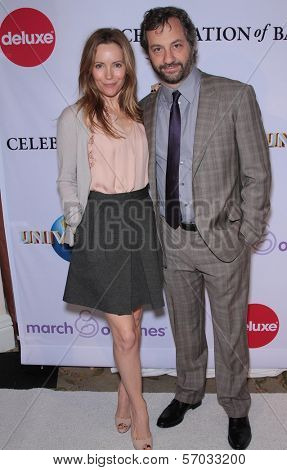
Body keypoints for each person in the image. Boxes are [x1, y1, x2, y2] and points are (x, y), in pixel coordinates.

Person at [139, 6, 271, 450]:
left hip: (222, 240)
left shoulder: (235, 95)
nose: (168, 56)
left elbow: (257, 172)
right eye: (157, 49)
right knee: (185, 326)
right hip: (170, 240)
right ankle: (189, 392)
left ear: (192, 44)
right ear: (149, 56)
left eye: (176, 45)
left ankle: (235, 406)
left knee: (231, 331)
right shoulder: (145, 108)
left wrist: (246, 232)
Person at [56, 28, 165, 450]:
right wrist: (77, 224)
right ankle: (139, 408)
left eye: (116, 64)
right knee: (124, 334)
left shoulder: (142, 112)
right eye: (99, 65)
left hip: (141, 217)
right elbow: (67, 179)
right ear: (88, 68)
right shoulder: (75, 117)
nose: (108, 74)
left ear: (127, 66)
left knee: (133, 326)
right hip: (101, 220)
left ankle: (123, 394)